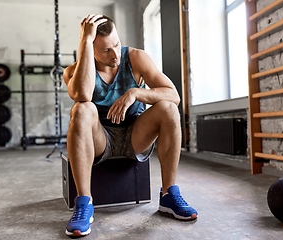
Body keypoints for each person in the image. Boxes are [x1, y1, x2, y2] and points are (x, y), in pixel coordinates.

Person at [63, 14, 198, 237]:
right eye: (105, 50)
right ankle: (84, 204)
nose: (115, 54)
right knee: (81, 109)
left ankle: (169, 195)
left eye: (116, 44)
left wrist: (136, 92)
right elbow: (82, 94)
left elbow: (173, 95)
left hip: (136, 135)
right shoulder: (73, 72)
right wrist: (85, 41)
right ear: (90, 48)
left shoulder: (135, 58)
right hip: (100, 140)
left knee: (168, 108)